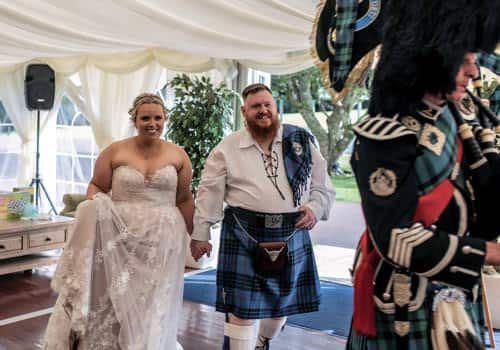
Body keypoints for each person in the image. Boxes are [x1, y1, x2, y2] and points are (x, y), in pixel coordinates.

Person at [346, 1, 500, 349]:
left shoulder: (464, 123)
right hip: (405, 302)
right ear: (429, 58)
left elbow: (483, 220)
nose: (474, 73)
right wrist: (488, 253)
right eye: (463, 60)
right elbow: (396, 239)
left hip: (457, 296)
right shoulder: (385, 135)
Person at [43, 93, 194, 350]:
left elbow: (184, 198)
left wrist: (197, 236)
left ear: (165, 119)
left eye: (158, 118)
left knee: (153, 296)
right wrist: (96, 208)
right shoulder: (115, 150)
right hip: (119, 237)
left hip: (162, 239)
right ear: (134, 119)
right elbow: (97, 186)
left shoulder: (178, 155)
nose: (152, 123)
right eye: (145, 117)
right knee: (116, 295)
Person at [190, 83, 334, 350]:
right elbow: (209, 192)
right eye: (256, 106)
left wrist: (315, 207)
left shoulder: (300, 140)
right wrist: (201, 234)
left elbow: (322, 184)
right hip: (244, 233)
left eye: (268, 105)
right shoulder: (228, 147)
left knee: (281, 308)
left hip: (291, 233)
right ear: (244, 111)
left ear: (276, 107)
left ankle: (261, 341)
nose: (263, 111)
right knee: (241, 310)